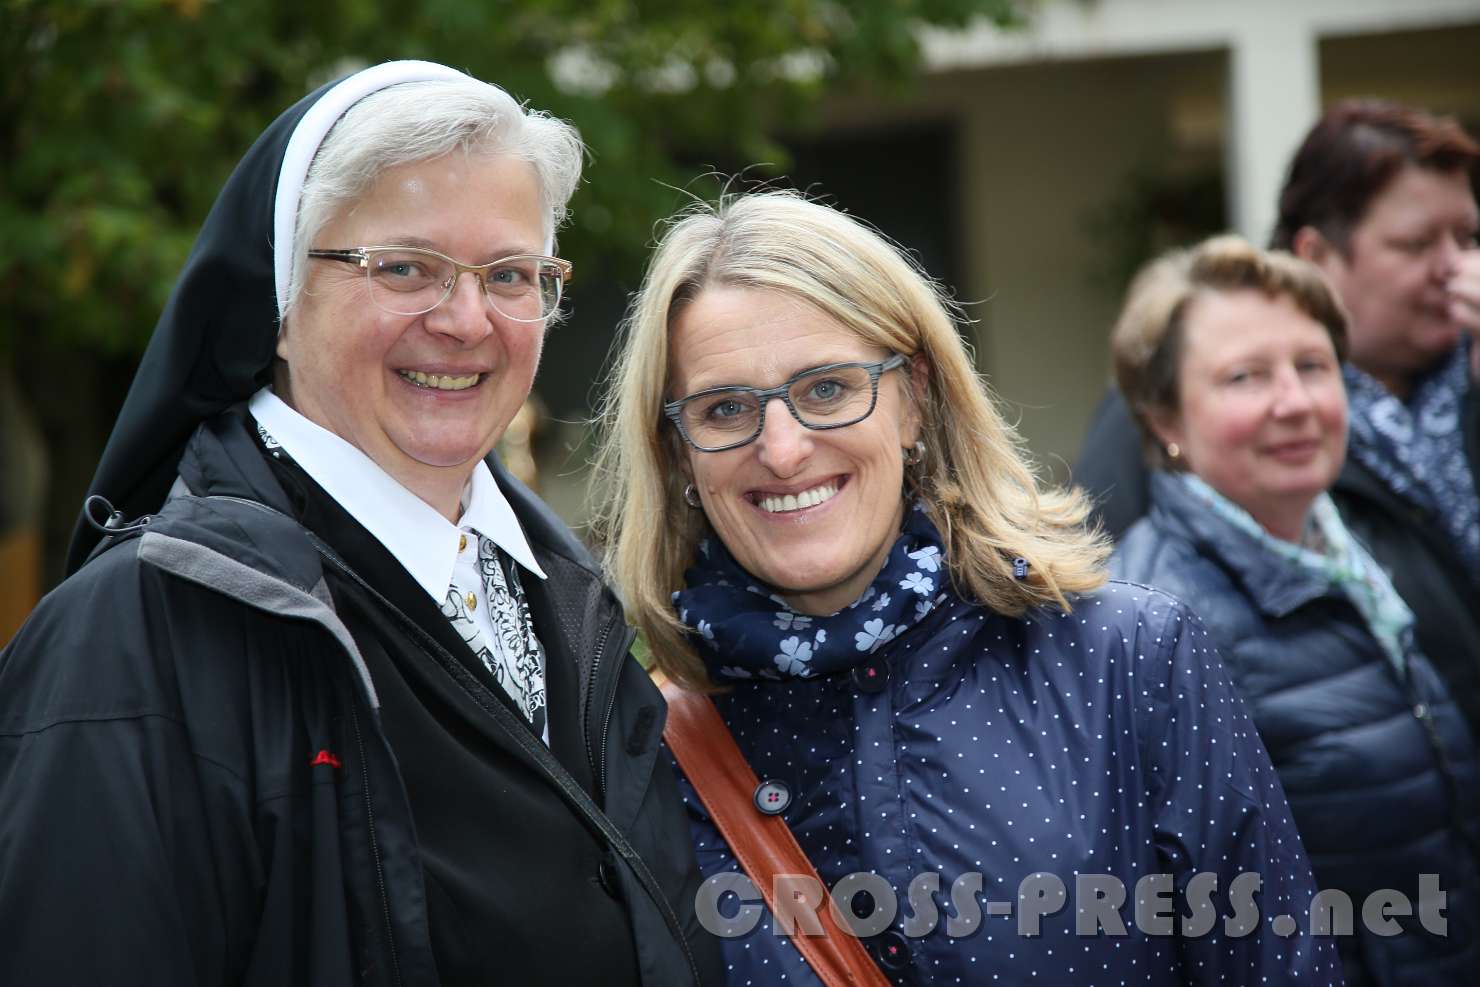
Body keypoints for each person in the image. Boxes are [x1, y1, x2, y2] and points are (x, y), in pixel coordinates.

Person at [0, 61, 719, 986]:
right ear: (278, 298)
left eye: (509, 274)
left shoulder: (579, 602)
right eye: (406, 267)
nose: (466, 320)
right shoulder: (138, 634)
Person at [590, 191, 1340, 984]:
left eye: (827, 388)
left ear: (913, 399)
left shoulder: (1127, 662)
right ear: (678, 452)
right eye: (726, 407)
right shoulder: (638, 748)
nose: (782, 449)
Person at [1109, 235, 1480, 986]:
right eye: (1245, 377)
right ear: (1164, 419)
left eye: (1313, 367)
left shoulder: (1362, 548)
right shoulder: (1155, 623)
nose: (1295, 401)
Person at [1075, 100, 1480, 737]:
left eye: (1467, 238)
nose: (1455, 268)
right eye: (1416, 243)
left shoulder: (1461, 385)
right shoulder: (1174, 414)